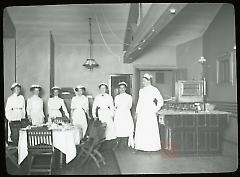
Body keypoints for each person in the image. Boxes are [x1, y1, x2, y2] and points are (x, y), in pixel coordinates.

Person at [134, 73, 164, 151]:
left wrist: (155, 109)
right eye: (142, 81)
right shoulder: (141, 90)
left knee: (150, 128)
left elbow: (161, 101)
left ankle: (151, 147)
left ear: (149, 81)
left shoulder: (154, 89)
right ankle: (141, 146)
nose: (143, 83)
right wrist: (137, 112)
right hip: (142, 112)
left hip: (150, 111)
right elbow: (139, 102)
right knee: (142, 128)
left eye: (144, 81)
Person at [114, 81, 134, 149]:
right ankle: (118, 142)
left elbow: (129, 106)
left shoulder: (129, 97)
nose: (122, 89)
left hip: (126, 114)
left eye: (123, 88)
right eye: (120, 88)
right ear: (119, 89)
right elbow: (115, 106)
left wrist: (124, 110)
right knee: (118, 127)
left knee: (127, 127)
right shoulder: (117, 97)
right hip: (118, 114)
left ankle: (127, 142)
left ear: (125, 89)